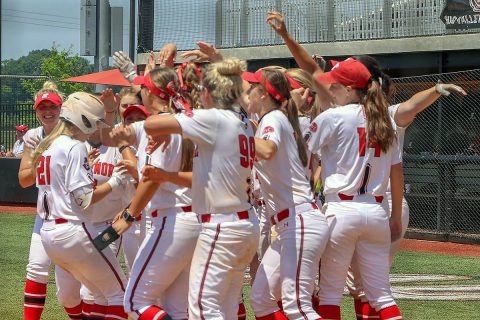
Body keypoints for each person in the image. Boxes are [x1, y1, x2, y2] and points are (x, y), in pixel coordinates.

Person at [137, 58, 260, 319]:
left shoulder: (214, 119)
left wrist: (178, 110)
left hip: (221, 226)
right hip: (245, 223)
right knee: (225, 309)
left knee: (202, 309)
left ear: (208, 92)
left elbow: (151, 124)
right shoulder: (244, 122)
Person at [306, 58, 404, 320]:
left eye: (335, 86)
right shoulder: (385, 119)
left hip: (341, 210)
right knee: (382, 296)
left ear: (350, 89)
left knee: (329, 294)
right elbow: (397, 170)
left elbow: (303, 160)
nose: (330, 90)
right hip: (375, 211)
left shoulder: (332, 117)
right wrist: (394, 217)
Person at [33, 91, 129, 320]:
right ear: (83, 119)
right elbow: (83, 199)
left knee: (98, 293)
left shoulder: (48, 145)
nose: (96, 129)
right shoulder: (75, 146)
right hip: (74, 231)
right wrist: (116, 181)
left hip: (49, 233)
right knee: (120, 295)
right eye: (95, 123)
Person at [244, 67, 330, 319]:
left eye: (252, 88)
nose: (247, 93)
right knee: (261, 299)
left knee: (297, 307)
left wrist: (235, 137)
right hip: (289, 223)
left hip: (299, 221)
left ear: (263, 94)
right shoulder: (274, 117)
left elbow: (268, 150)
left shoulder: (272, 118)